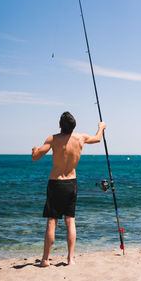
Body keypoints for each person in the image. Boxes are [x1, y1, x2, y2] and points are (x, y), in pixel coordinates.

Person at [32, 112, 106, 267]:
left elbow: (36, 157)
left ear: (60, 125)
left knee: (52, 221)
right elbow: (98, 138)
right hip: (71, 183)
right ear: (74, 125)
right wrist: (101, 127)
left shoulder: (53, 139)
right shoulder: (81, 138)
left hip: (56, 183)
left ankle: (45, 260)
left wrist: (35, 149)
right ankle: (70, 259)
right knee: (70, 221)